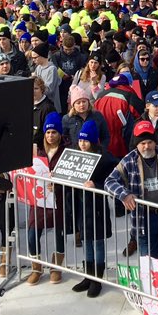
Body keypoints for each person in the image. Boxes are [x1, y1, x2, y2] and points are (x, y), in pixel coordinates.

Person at [104, 119, 158, 264]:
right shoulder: (129, 160)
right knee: (149, 263)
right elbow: (109, 182)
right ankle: (153, 287)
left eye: (149, 142)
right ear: (137, 144)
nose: (147, 146)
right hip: (144, 219)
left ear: (155, 142)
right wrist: (124, 195)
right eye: (142, 143)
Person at [69, 119, 118, 296]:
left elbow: (114, 177)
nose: (82, 144)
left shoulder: (104, 157)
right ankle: (88, 276)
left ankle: (97, 279)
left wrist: (96, 185)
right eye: (81, 140)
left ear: (93, 141)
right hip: (82, 207)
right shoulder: (76, 154)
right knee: (86, 241)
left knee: (97, 242)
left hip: (97, 206)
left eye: (86, 141)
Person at [24, 114, 67, 285]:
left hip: (59, 199)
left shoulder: (65, 152)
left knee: (59, 233)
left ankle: (56, 266)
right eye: (48, 132)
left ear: (60, 134)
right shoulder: (37, 152)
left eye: (54, 132)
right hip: (39, 199)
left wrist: (58, 183)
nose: (50, 135)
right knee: (33, 233)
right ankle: (37, 267)